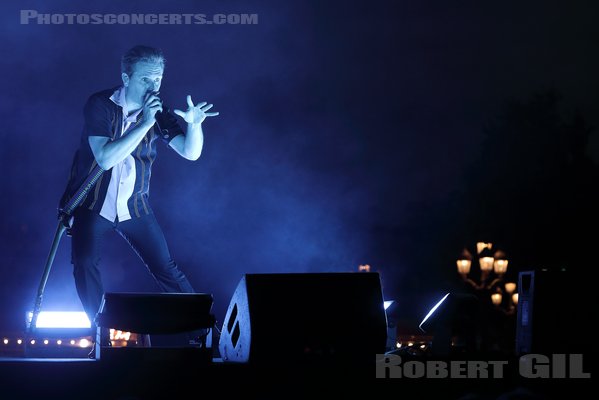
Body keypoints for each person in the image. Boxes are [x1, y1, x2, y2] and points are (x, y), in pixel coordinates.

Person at [60, 45, 219, 335]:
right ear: (126, 77)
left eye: (158, 78)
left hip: (135, 207)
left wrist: (195, 126)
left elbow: (190, 152)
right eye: (146, 79)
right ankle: (100, 334)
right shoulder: (101, 104)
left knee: (167, 270)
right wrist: (145, 122)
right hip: (94, 204)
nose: (153, 85)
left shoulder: (159, 110)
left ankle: (209, 333)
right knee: (84, 264)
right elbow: (106, 158)